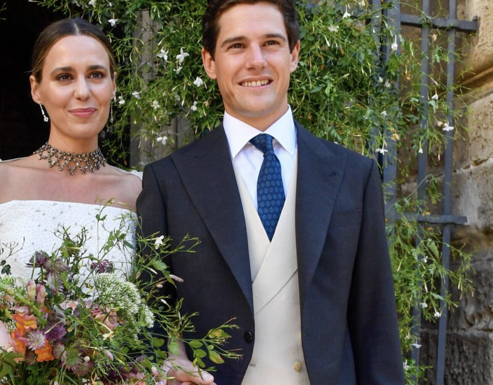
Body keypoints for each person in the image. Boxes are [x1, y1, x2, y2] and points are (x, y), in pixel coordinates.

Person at [136, 0, 405, 384]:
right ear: (210, 62)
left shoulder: (353, 174)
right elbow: (151, 320)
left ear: (293, 54)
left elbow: (375, 324)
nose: (256, 60)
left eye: (271, 43)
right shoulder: (168, 181)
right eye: (236, 46)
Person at [0, 17, 141, 379]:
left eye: (96, 74)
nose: (83, 91)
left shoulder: (140, 190)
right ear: (36, 88)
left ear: (114, 85)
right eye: (64, 77)